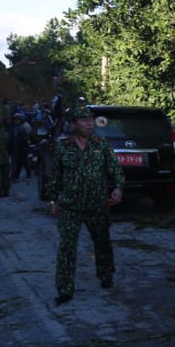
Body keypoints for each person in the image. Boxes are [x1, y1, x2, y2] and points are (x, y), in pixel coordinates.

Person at [44, 106, 124, 305]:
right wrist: (53, 200)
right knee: (67, 248)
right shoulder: (64, 147)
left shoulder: (101, 145)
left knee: (102, 242)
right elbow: (55, 177)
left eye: (90, 119)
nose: (89, 123)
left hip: (97, 205)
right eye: (83, 120)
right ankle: (65, 288)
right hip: (70, 206)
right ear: (74, 124)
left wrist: (118, 188)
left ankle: (105, 274)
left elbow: (116, 170)